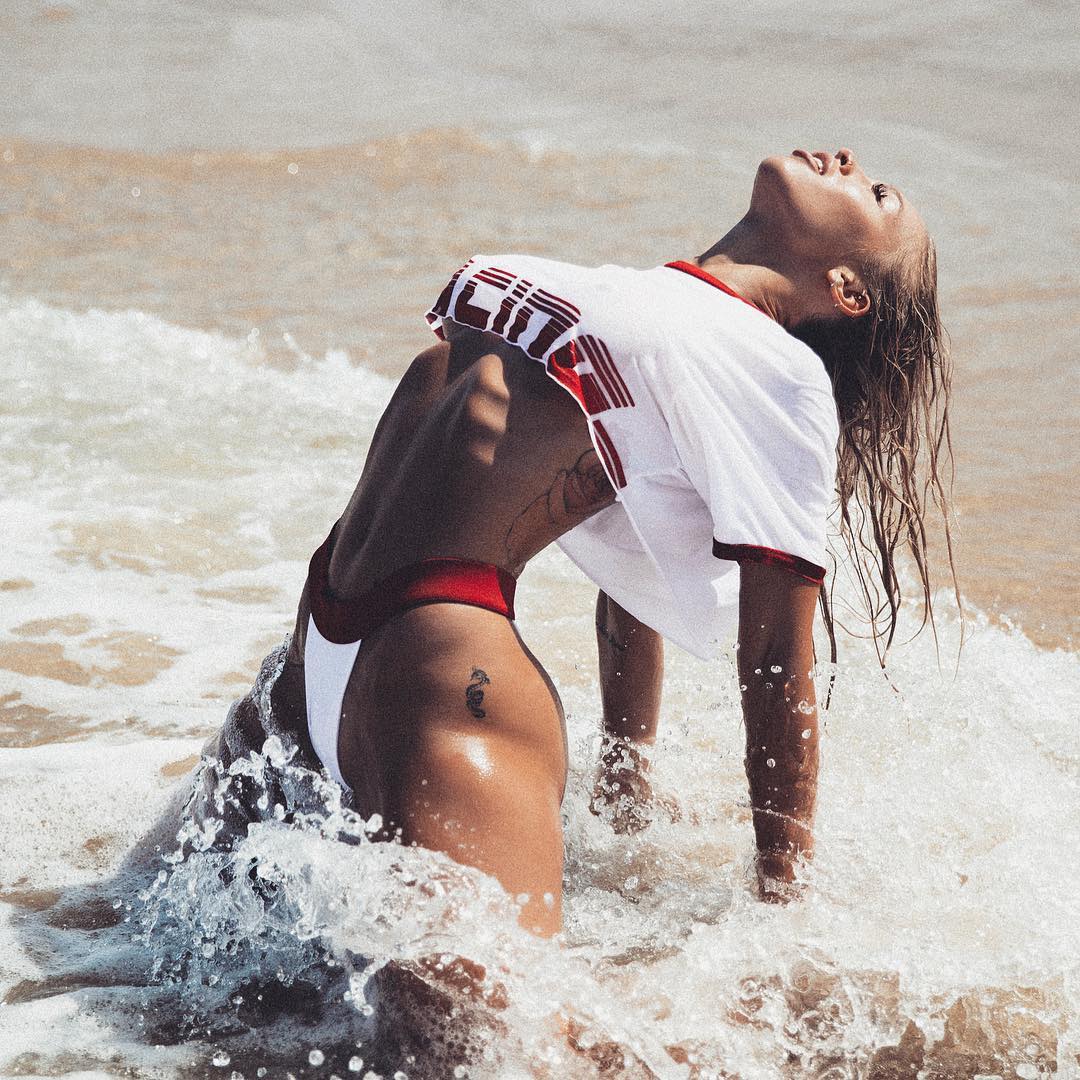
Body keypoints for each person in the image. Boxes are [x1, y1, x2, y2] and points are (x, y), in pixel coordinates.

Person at [189, 146, 955, 942]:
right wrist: (626, 775)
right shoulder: (644, 302)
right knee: (150, 957)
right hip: (312, 654)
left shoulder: (778, 376)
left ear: (848, 290)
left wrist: (783, 914)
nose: (848, 161)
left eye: (878, 194)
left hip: (448, 676)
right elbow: (637, 563)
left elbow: (776, 661)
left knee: (496, 1025)